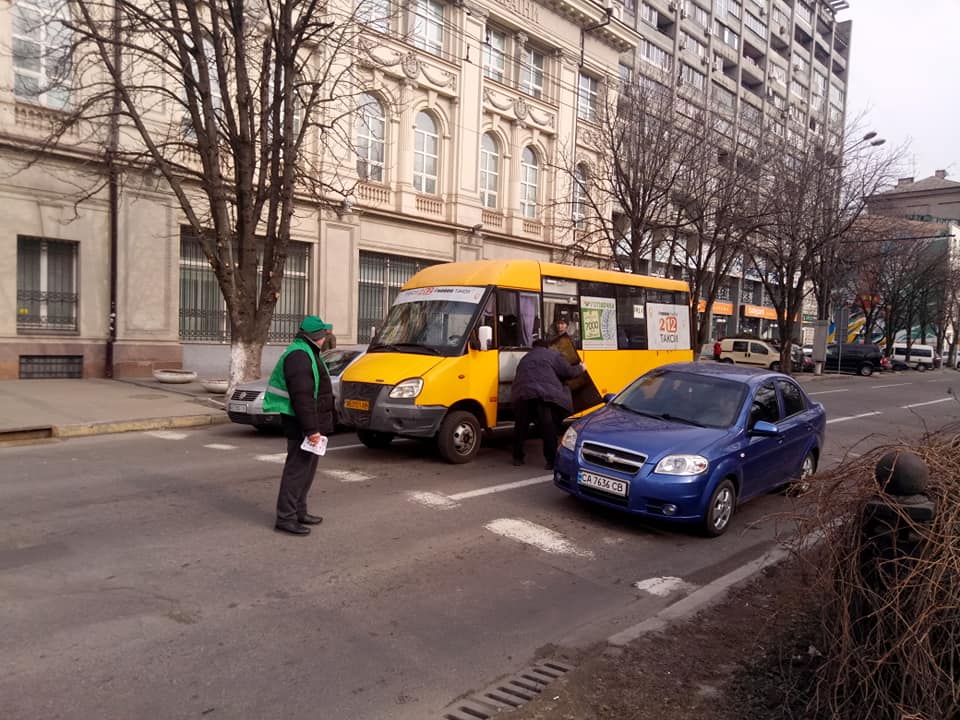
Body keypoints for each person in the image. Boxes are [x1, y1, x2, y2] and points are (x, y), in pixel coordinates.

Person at [263, 315, 336, 536]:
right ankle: (285, 518)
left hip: (308, 423)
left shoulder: (308, 352)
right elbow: (302, 397)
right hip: (300, 424)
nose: (326, 337)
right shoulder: (299, 356)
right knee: (297, 471)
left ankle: (299, 511)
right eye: (324, 334)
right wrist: (311, 430)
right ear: (315, 336)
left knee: (307, 470)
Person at [511, 339, 585, 470]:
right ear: (547, 347)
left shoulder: (525, 358)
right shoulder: (553, 355)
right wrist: (582, 368)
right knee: (548, 428)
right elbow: (568, 372)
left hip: (523, 394)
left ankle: (517, 457)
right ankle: (550, 461)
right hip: (543, 395)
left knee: (521, 427)